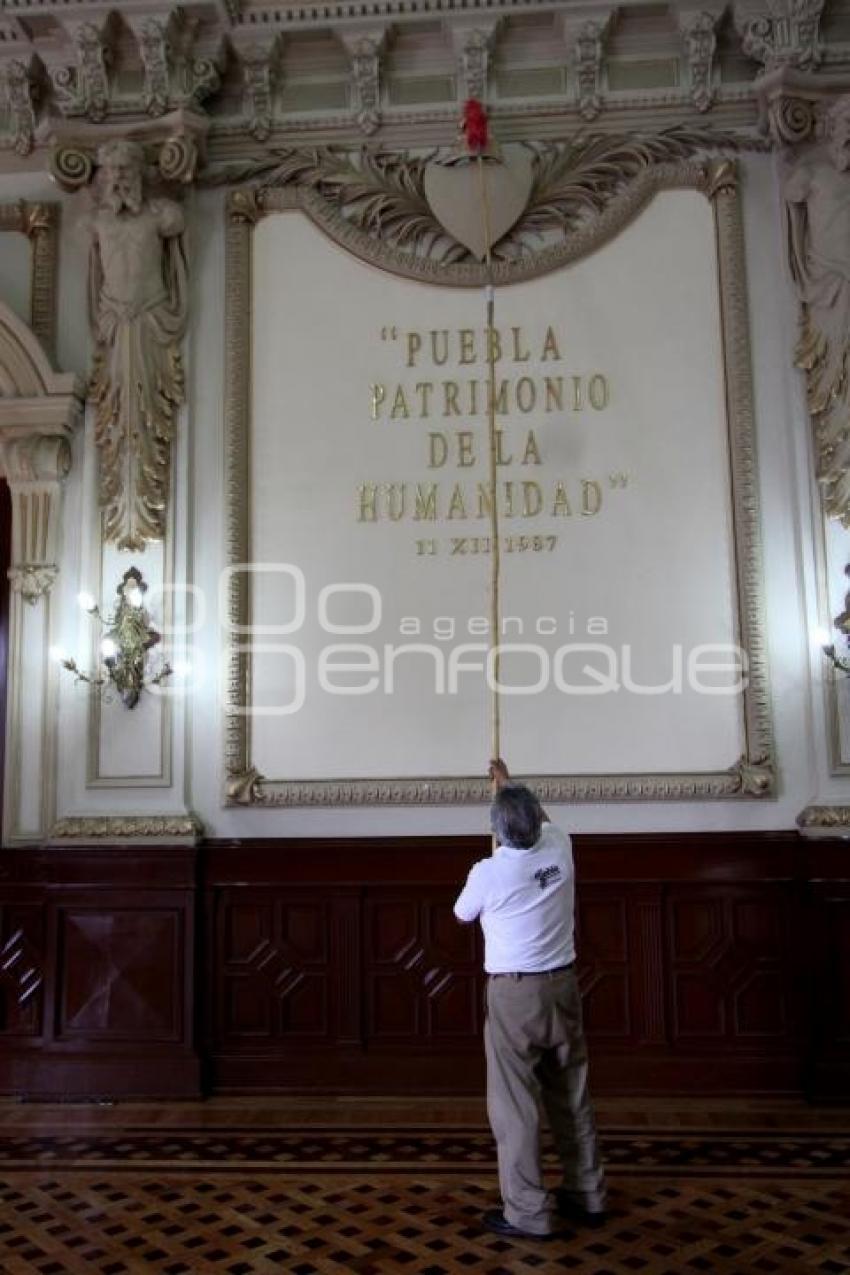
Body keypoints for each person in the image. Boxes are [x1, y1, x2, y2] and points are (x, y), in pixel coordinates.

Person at [454, 758, 607, 1240]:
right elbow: (540, 818)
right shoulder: (560, 846)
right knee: (571, 1092)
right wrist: (510, 784)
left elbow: (462, 914)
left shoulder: (488, 871)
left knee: (515, 1105)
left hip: (515, 995)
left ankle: (527, 1211)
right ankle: (588, 1193)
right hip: (563, 987)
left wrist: (502, 797)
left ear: (496, 832)